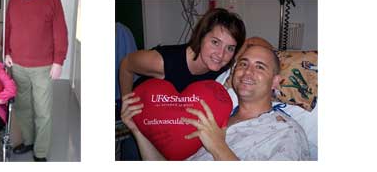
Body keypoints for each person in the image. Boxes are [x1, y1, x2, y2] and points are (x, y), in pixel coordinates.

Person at [121, 45, 310, 160]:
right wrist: (138, 131)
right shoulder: (213, 114)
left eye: (259, 67)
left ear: (275, 81)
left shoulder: (286, 134)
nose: (247, 71)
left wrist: (218, 147)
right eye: (243, 64)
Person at [4, 0, 69, 161]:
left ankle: (40, 152)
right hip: (17, 65)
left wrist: (58, 61)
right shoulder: (13, 1)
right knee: (23, 108)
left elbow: (61, 33)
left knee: (43, 111)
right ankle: (29, 141)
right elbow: (8, 30)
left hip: (43, 67)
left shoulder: (52, 0)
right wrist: (6, 52)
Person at [119, 8, 246, 96]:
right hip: (143, 110)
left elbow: (254, 44)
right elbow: (126, 64)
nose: (221, 54)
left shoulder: (223, 65)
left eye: (230, 48)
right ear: (201, 36)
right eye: (215, 42)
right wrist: (126, 103)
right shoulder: (163, 62)